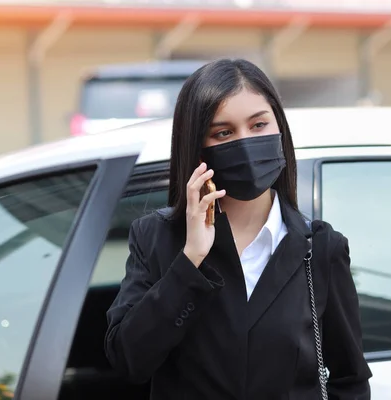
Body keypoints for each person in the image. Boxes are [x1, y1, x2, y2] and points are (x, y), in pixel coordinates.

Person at [104, 58, 372, 399]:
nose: (245, 143)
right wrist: (190, 261)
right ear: (196, 146)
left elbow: (350, 380)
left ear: (279, 128)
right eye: (224, 133)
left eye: (258, 125)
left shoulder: (321, 247)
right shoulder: (157, 238)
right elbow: (129, 361)